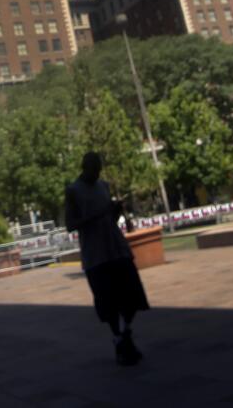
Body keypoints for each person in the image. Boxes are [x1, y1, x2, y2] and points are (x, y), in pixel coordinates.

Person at [64, 152, 150, 366]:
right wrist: (97, 214)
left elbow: (109, 218)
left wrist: (115, 212)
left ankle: (125, 334)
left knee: (131, 294)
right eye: (94, 169)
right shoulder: (73, 191)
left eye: (99, 168)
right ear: (85, 167)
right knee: (108, 302)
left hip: (116, 248)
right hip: (96, 255)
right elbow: (70, 224)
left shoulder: (104, 186)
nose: (97, 173)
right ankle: (120, 338)